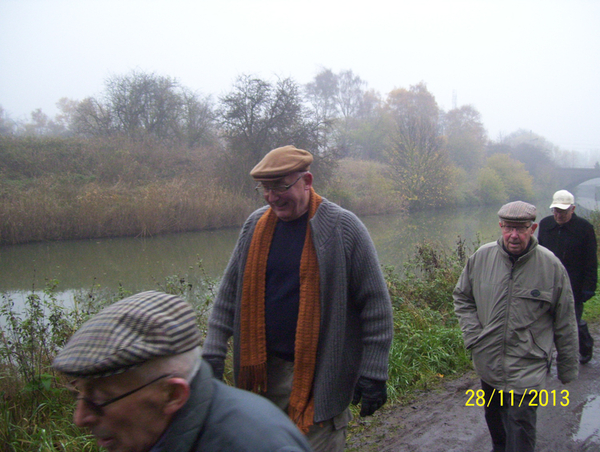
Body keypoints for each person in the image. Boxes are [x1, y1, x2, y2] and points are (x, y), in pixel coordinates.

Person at [202, 145, 394, 452]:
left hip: (322, 379)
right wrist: (212, 352)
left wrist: (374, 371)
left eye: (281, 186)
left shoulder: (344, 228)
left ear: (307, 180)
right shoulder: (254, 226)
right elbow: (227, 296)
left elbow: (376, 306)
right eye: (265, 188)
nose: (272, 196)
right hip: (263, 377)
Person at [53, 290, 313, 452]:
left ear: (173, 394)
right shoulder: (156, 435)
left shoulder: (258, 444)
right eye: (80, 392)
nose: (80, 418)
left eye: (100, 398)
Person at [453, 201, 579, 452]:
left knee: (520, 428)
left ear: (532, 228)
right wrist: (474, 336)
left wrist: (568, 367)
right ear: (500, 226)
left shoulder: (550, 266)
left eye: (520, 229)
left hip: (528, 363)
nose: (513, 235)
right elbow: (462, 297)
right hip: (489, 362)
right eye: (508, 228)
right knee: (496, 424)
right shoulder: (481, 258)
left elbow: (565, 319)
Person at [538, 189, 598, 364]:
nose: (559, 215)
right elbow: (539, 254)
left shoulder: (585, 228)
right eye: (556, 210)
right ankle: (545, 357)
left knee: (572, 322)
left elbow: (591, 261)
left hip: (575, 284)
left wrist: (589, 287)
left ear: (572, 209)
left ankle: (584, 347)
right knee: (545, 322)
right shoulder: (545, 224)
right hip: (548, 283)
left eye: (563, 211)